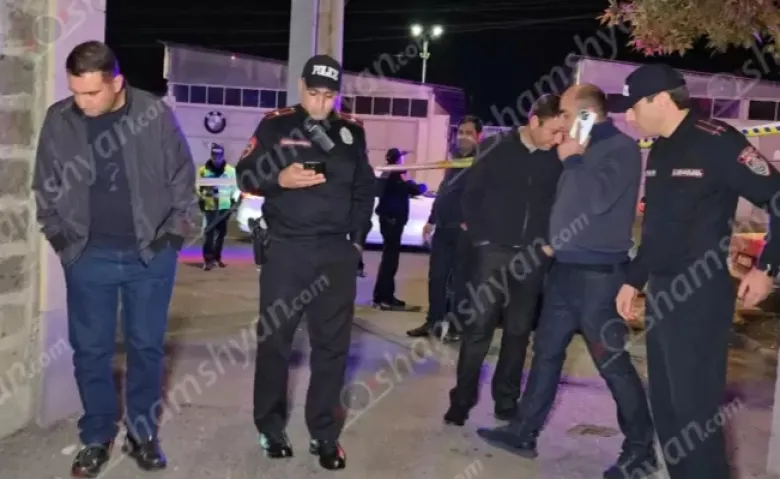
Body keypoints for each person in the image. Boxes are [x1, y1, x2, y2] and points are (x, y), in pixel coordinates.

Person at [32, 41, 197, 477]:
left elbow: (183, 179)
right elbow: (44, 185)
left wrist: (172, 238)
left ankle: (142, 433)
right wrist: (63, 242)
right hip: (88, 256)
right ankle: (96, 435)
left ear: (117, 83)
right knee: (91, 351)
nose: (82, 103)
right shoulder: (59, 119)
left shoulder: (153, 114)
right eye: (76, 92)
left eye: (92, 93)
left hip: (150, 255)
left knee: (146, 348)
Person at [477, 85, 656, 478]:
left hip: (599, 277)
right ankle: (524, 432)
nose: (562, 120)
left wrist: (573, 161)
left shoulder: (620, 149)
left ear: (587, 114)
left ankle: (640, 450)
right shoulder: (578, 146)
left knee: (611, 363)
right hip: (564, 271)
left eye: (566, 113)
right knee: (545, 353)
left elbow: (600, 201)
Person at [612, 64, 780, 479]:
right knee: (668, 410)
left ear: (660, 100)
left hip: (701, 296)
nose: (629, 116)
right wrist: (634, 279)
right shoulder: (661, 149)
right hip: (663, 293)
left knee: (695, 416)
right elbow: (658, 230)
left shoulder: (718, 141)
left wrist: (767, 267)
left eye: (634, 106)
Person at [235, 54, 375, 471]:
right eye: (314, 94)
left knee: (333, 348)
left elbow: (364, 189)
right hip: (286, 250)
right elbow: (244, 175)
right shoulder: (276, 125)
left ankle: (324, 434)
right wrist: (278, 180)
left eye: (329, 96)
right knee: (275, 342)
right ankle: (270, 425)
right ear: (301, 87)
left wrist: (356, 241)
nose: (320, 103)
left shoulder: (351, 132)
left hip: (335, 253)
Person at [444, 95, 564, 426]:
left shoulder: (557, 157)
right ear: (534, 121)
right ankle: (462, 400)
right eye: (553, 131)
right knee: (478, 328)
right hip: (493, 253)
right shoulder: (495, 148)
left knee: (518, 331)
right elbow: (471, 195)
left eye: (562, 132)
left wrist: (549, 244)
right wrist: (482, 239)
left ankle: (506, 400)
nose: (558, 138)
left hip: (533, 256)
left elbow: (563, 202)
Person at [407, 115, 483, 341]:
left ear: (478, 136)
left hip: (463, 232)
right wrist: (431, 220)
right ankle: (433, 322)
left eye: (469, 133)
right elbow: (443, 192)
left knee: (460, 281)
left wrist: (473, 221)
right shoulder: (453, 161)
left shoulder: (482, 163)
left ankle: (457, 328)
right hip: (443, 228)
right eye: (461, 132)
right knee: (437, 278)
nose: (463, 137)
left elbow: (489, 196)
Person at [372, 148, 427, 311]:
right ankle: (385, 298)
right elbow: (416, 189)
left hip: (387, 219)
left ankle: (381, 296)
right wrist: (411, 182)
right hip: (393, 221)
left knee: (388, 259)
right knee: (390, 261)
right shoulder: (396, 175)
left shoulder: (385, 174)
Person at [198, 143, 238, 270]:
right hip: (210, 206)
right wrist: (202, 198)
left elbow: (234, 188)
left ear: (222, 156)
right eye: (215, 156)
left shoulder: (230, 171)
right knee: (209, 234)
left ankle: (217, 257)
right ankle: (208, 260)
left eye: (219, 156)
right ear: (211, 155)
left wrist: (233, 201)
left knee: (221, 234)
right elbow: (199, 188)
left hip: (224, 207)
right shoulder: (204, 170)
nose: (217, 159)